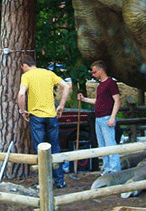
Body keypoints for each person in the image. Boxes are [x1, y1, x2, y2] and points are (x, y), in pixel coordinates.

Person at [17, 56, 72, 188]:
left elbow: (21, 94)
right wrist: (61, 106)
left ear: (24, 65)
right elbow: (66, 86)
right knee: (55, 147)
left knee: (40, 149)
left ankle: (43, 183)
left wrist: (22, 110)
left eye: (22, 68)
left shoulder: (27, 76)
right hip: (51, 115)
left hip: (36, 116)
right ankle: (60, 181)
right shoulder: (48, 73)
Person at [77, 60, 122, 174]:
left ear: (101, 70)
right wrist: (84, 99)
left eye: (94, 72)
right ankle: (107, 168)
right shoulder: (100, 85)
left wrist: (112, 117)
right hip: (98, 118)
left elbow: (117, 100)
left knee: (110, 144)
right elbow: (98, 101)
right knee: (102, 146)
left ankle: (114, 169)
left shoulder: (111, 83)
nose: (93, 74)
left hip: (107, 118)